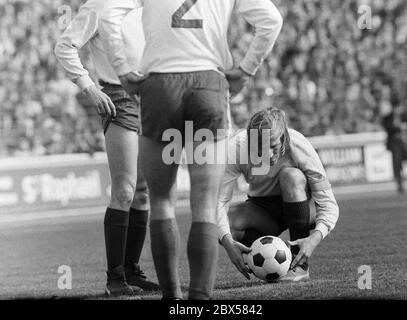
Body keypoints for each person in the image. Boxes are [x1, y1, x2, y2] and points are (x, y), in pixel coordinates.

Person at [99, 0, 283, 300]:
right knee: (204, 203)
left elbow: (107, 15)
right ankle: (199, 300)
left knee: (160, 202)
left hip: (159, 87)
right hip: (208, 85)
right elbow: (272, 20)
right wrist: (246, 69)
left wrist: (121, 70)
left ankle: (171, 299)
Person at [54, 0, 159, 296]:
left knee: (141, 191)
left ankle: (131, 271)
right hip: (119, 97)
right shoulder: (101, 5)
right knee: (124, 189)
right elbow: (64, 46)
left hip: (151, 97)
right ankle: (115, 279)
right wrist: (89, 87)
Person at [217, 107, 339, 282]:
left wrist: (314, 238)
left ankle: (299, 265)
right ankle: (266, 253)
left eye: (273, 146)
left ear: (283, 138)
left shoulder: (298, 144)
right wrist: (228, 243)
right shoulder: (236, 148)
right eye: (260, 148)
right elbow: (219, 203)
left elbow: (328, 204)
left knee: (291, 176)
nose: (268, 154)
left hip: (303, 204)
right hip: (263, 209)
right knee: (222, 227)